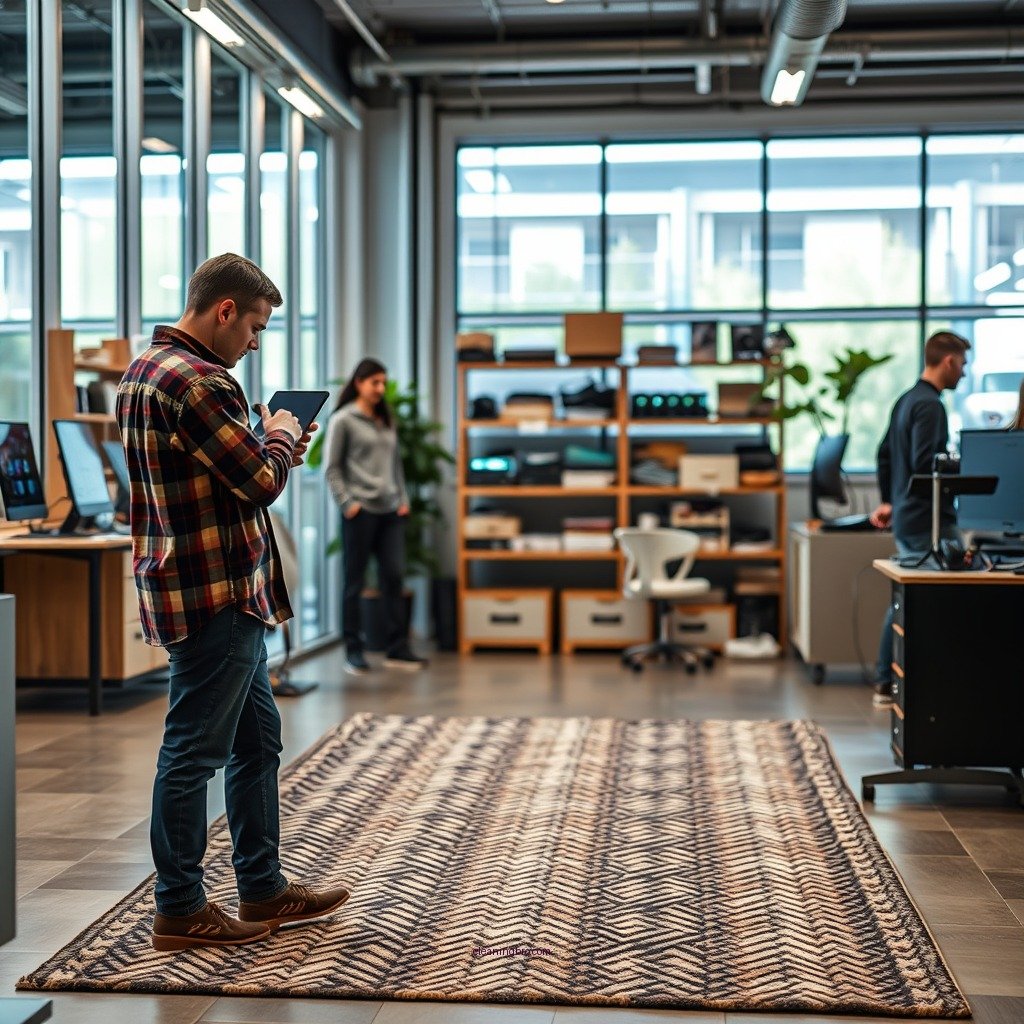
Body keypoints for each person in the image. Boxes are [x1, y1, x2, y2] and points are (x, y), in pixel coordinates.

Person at [117, 253, 350, 951]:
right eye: (254, 325)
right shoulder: (202, 381)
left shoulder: (144, 370)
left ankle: (263, 889)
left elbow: (230, 473)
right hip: (215, 593)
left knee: (258, 743)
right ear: (224, 310)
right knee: (193, 751)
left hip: (195, 585)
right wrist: (278, 433)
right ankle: (180, 907)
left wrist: (267, 445)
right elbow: (261, 481)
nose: (255, 341)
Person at [868, 330, 971, 708]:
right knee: (914, 596)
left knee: (905, 594)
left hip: (908, 514)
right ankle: (886, 678)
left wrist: (889, 500)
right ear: (947, 361)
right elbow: (926, 465)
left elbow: (884, 455)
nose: (963, 372)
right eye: (962, 364)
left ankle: (885, 679)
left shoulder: (906, 400)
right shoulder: (929, 405)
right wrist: (968, 464)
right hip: (929, 519)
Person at [324, 357, 426, 676]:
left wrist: (403, 498)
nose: (381, 388)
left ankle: (398, 648)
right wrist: (348, 503)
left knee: (394, 576)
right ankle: (354, 651)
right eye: (375, 383)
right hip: (361, 512)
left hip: (392, 510)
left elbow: (395, 465)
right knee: (354, 582)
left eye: (383, 382)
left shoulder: (386, 419)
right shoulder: (344, 419)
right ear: (359, 383)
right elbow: (332, 468)